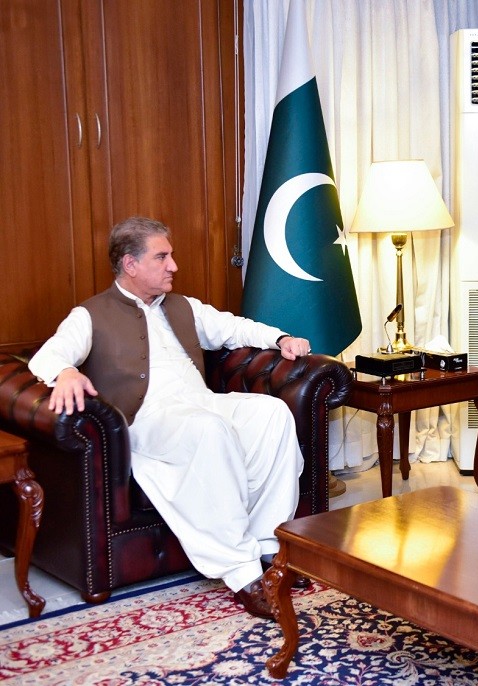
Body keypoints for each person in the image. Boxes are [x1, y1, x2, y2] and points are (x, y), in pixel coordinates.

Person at [29, 216, 311, 619]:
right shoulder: (90, 314)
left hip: (200, 403)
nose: (173, 265)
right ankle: (242, 571)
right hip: (147, 419)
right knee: (208, 429)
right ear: (130, 264)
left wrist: (279, 339)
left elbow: (232, 328)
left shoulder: (183, 307)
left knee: (272, 414)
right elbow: (47, 358)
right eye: (162, 257)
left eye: (171, 255)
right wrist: (68, 371)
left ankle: (269, 547)